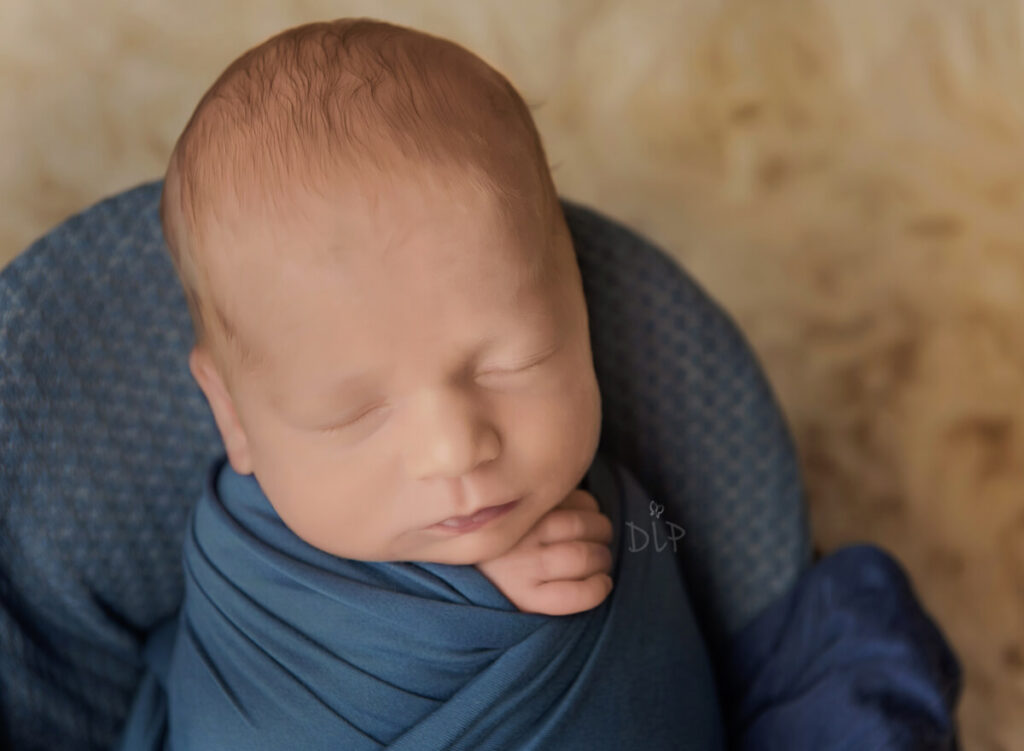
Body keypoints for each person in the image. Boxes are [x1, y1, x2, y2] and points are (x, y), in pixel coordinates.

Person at [118, 16, 962, 751]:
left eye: (509, 362)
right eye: (354, 411)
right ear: (232, 412)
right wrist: (455, 603)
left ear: (579, 306)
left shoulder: (644, 513)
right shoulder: (248, 568)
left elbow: (664, 587)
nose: (457, 447)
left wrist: (534, 587)